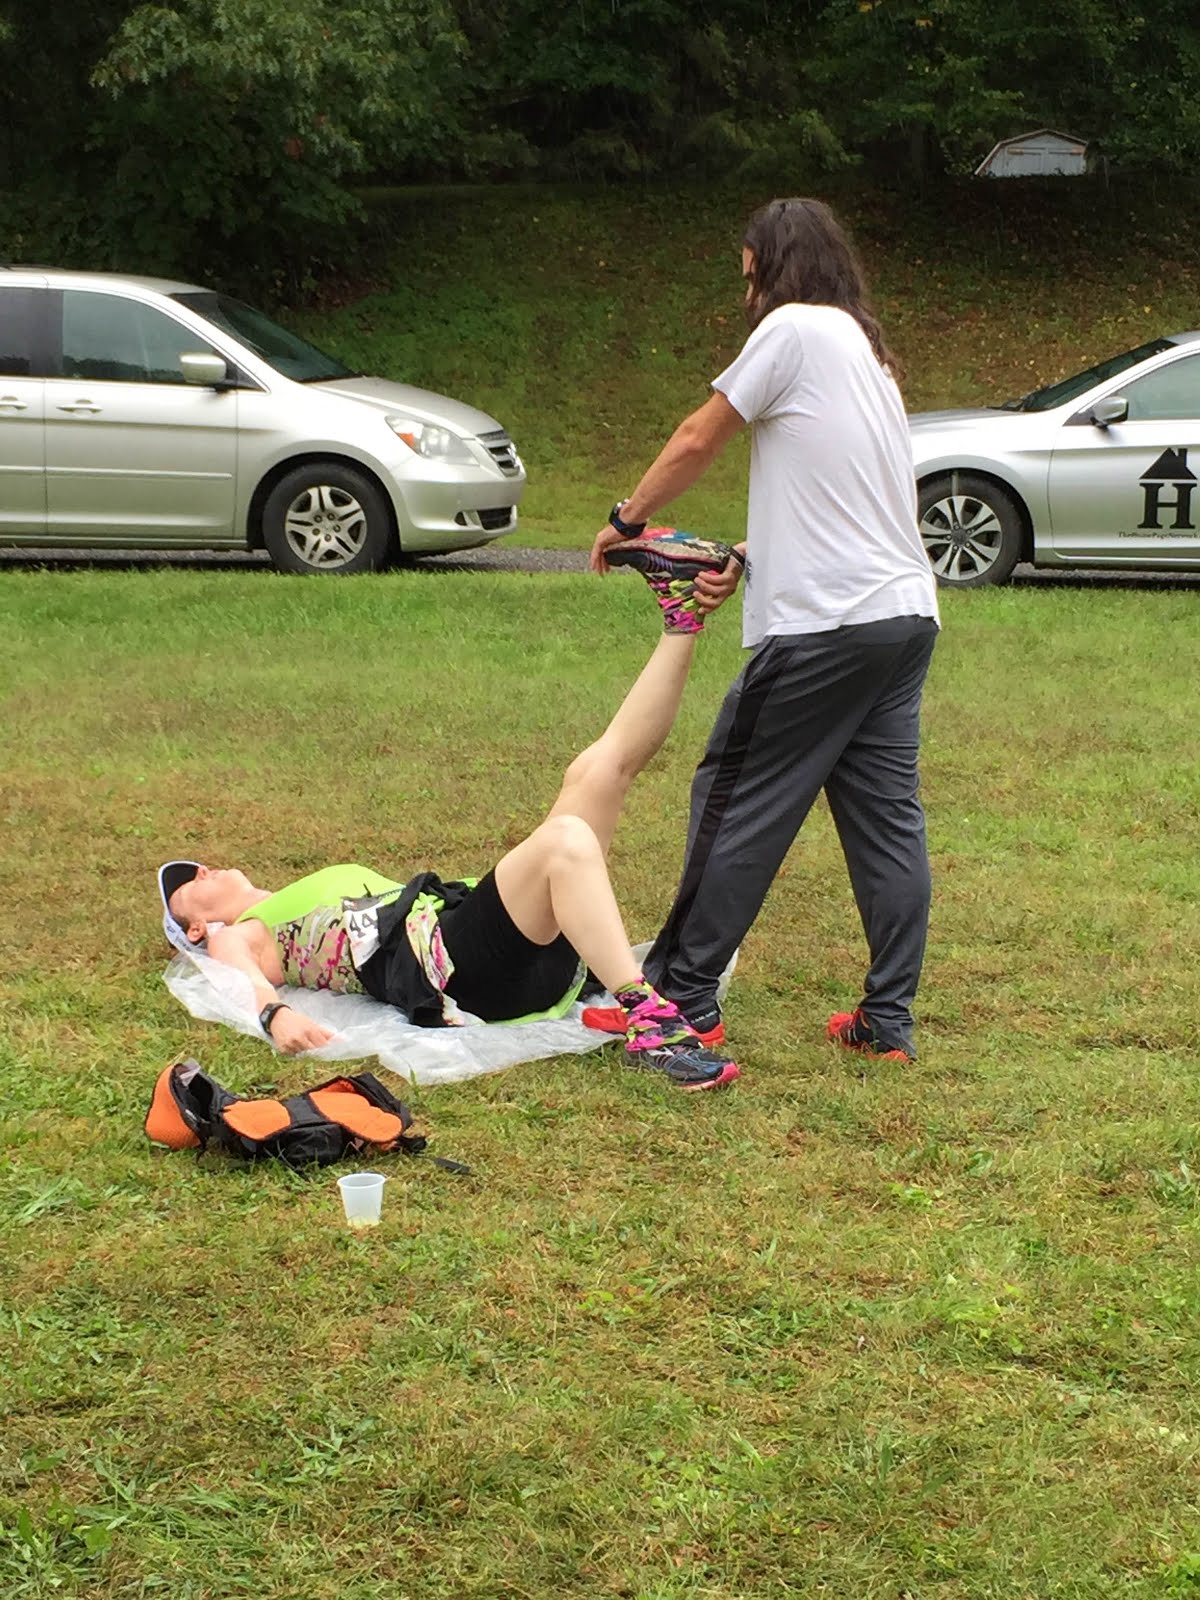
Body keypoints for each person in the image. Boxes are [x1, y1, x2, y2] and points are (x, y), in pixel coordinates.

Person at [157, 534, 742, 1092]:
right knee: (565, 838)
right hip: (460, 970)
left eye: (198, 866)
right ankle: (651, 1024)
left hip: (484, 935)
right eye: (190, 887)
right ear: (196, 928)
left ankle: (680, 614)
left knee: (596, 772)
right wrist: (274, 1017)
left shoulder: (289, 898)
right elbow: (240, 978)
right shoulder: (245, 934)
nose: (204, 869)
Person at [588, 197, 940, 1062]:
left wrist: (626, 518)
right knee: (886, 824)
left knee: (732, 798)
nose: (747, 295)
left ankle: (682, 999)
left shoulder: (791, 330)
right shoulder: (867, 351)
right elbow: (851, 495)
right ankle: (887, 1022)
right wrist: (751, 552)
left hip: (825, 629)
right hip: (901, 618)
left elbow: (699, 437)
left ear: (774, 268)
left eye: (750, 276)